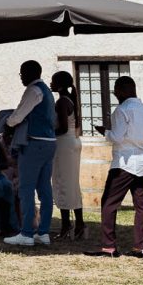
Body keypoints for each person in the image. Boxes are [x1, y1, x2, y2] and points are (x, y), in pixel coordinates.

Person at [87, 75, 143, 258]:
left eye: (116, 90)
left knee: (109, 203)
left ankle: (109, 247)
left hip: (123, 163)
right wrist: (140, 147)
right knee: (141, 206)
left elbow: (117, 137)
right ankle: (140, 248)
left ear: (122, 91)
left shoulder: (122, 110)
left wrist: (105, 131)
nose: (115, 94)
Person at [3, 60, 57, 247]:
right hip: (49, 143)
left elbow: (18, 116)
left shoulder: (33, 90)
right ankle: (43, 232)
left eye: (22, 73)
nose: (21, 77)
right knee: (45, 189)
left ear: (30, 73)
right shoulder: (46, 91)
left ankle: (26, 233)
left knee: (26, 188)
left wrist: (6, 124)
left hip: (34, 143)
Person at [51, 70, 86, 240]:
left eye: (53, 81)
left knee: (62, 183)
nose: (50, 84)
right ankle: (79, 224)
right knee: (72, 184)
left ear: (59, 85)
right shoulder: (70, 99)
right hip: (73, 142)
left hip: (64, 143)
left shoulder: (62, 102)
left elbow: (63, 128)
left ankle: (66, 225)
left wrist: (48, 133)